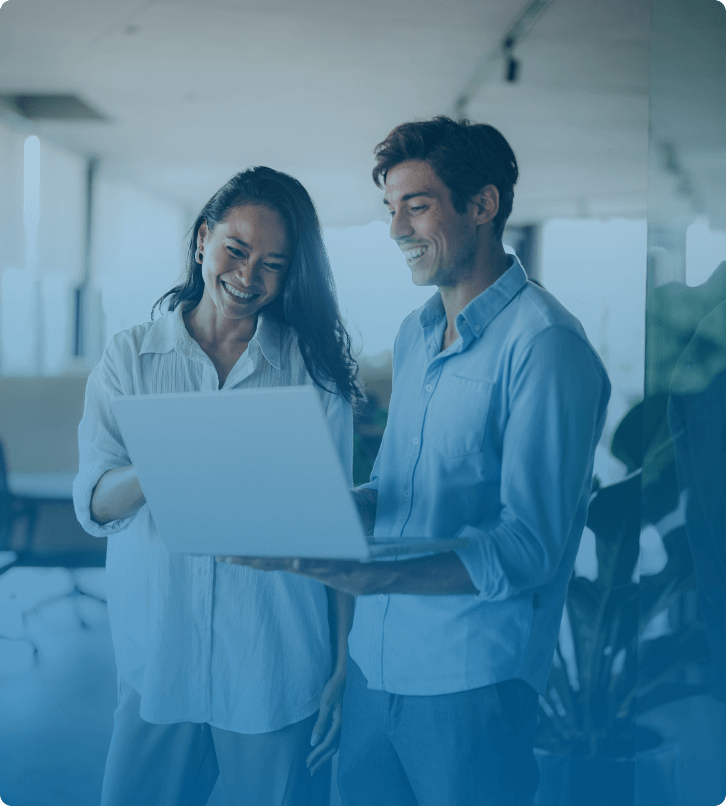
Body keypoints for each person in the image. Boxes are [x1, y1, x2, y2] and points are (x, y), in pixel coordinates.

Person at [225, 117, 612, 806]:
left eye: (418, 205)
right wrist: (325, 507)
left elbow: (530, 549)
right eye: (391, 209)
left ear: (483, 205)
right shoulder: (417, 334)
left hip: (468, 683)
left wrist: (368, 574)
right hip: (374, 674)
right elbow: (397, 488)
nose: (398, 228)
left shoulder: (546, 346)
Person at [73, 167, 362, 806]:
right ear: (204, 239)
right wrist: (164, 461)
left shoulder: (311, 375)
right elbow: (93, 502)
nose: (248, 275)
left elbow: (336, 539)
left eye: (273, 263)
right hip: (162, 664)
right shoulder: (130, 358)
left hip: (279, 666)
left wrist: (345, 667)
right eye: (236, 249)